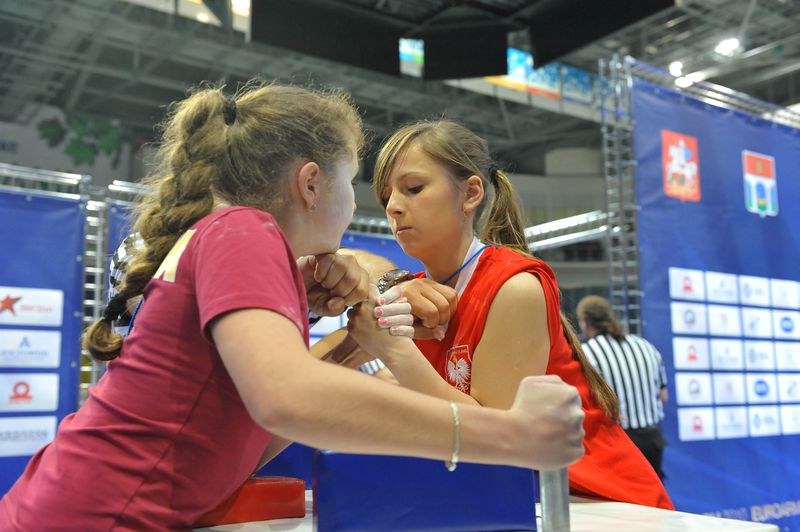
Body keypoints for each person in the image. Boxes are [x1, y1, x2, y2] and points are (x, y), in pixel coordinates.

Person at [0, 82, 586, 530]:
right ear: (310, 184)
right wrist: (509, 435)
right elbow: (289, 400)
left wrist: (354, 339)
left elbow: (252, 431)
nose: (369, 205)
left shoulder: (234, 238)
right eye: (354, 183)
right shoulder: (243, 230)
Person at [352, 119, 673, 509]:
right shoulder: (417, 295)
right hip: (518, 500)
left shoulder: (514, 285)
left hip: (598, 502)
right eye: (386, 195)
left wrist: (394, 352)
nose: (392, 207)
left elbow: (496, 439)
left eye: (414, 188)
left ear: (471, 193)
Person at [576, 294, 669, 479]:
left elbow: (584, 404)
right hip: (653, 440)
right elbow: (663, 396)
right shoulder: (645, 346)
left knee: (626, 497)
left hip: (620, 442)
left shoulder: (587, 353)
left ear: (585, 322)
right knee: (653, 495)